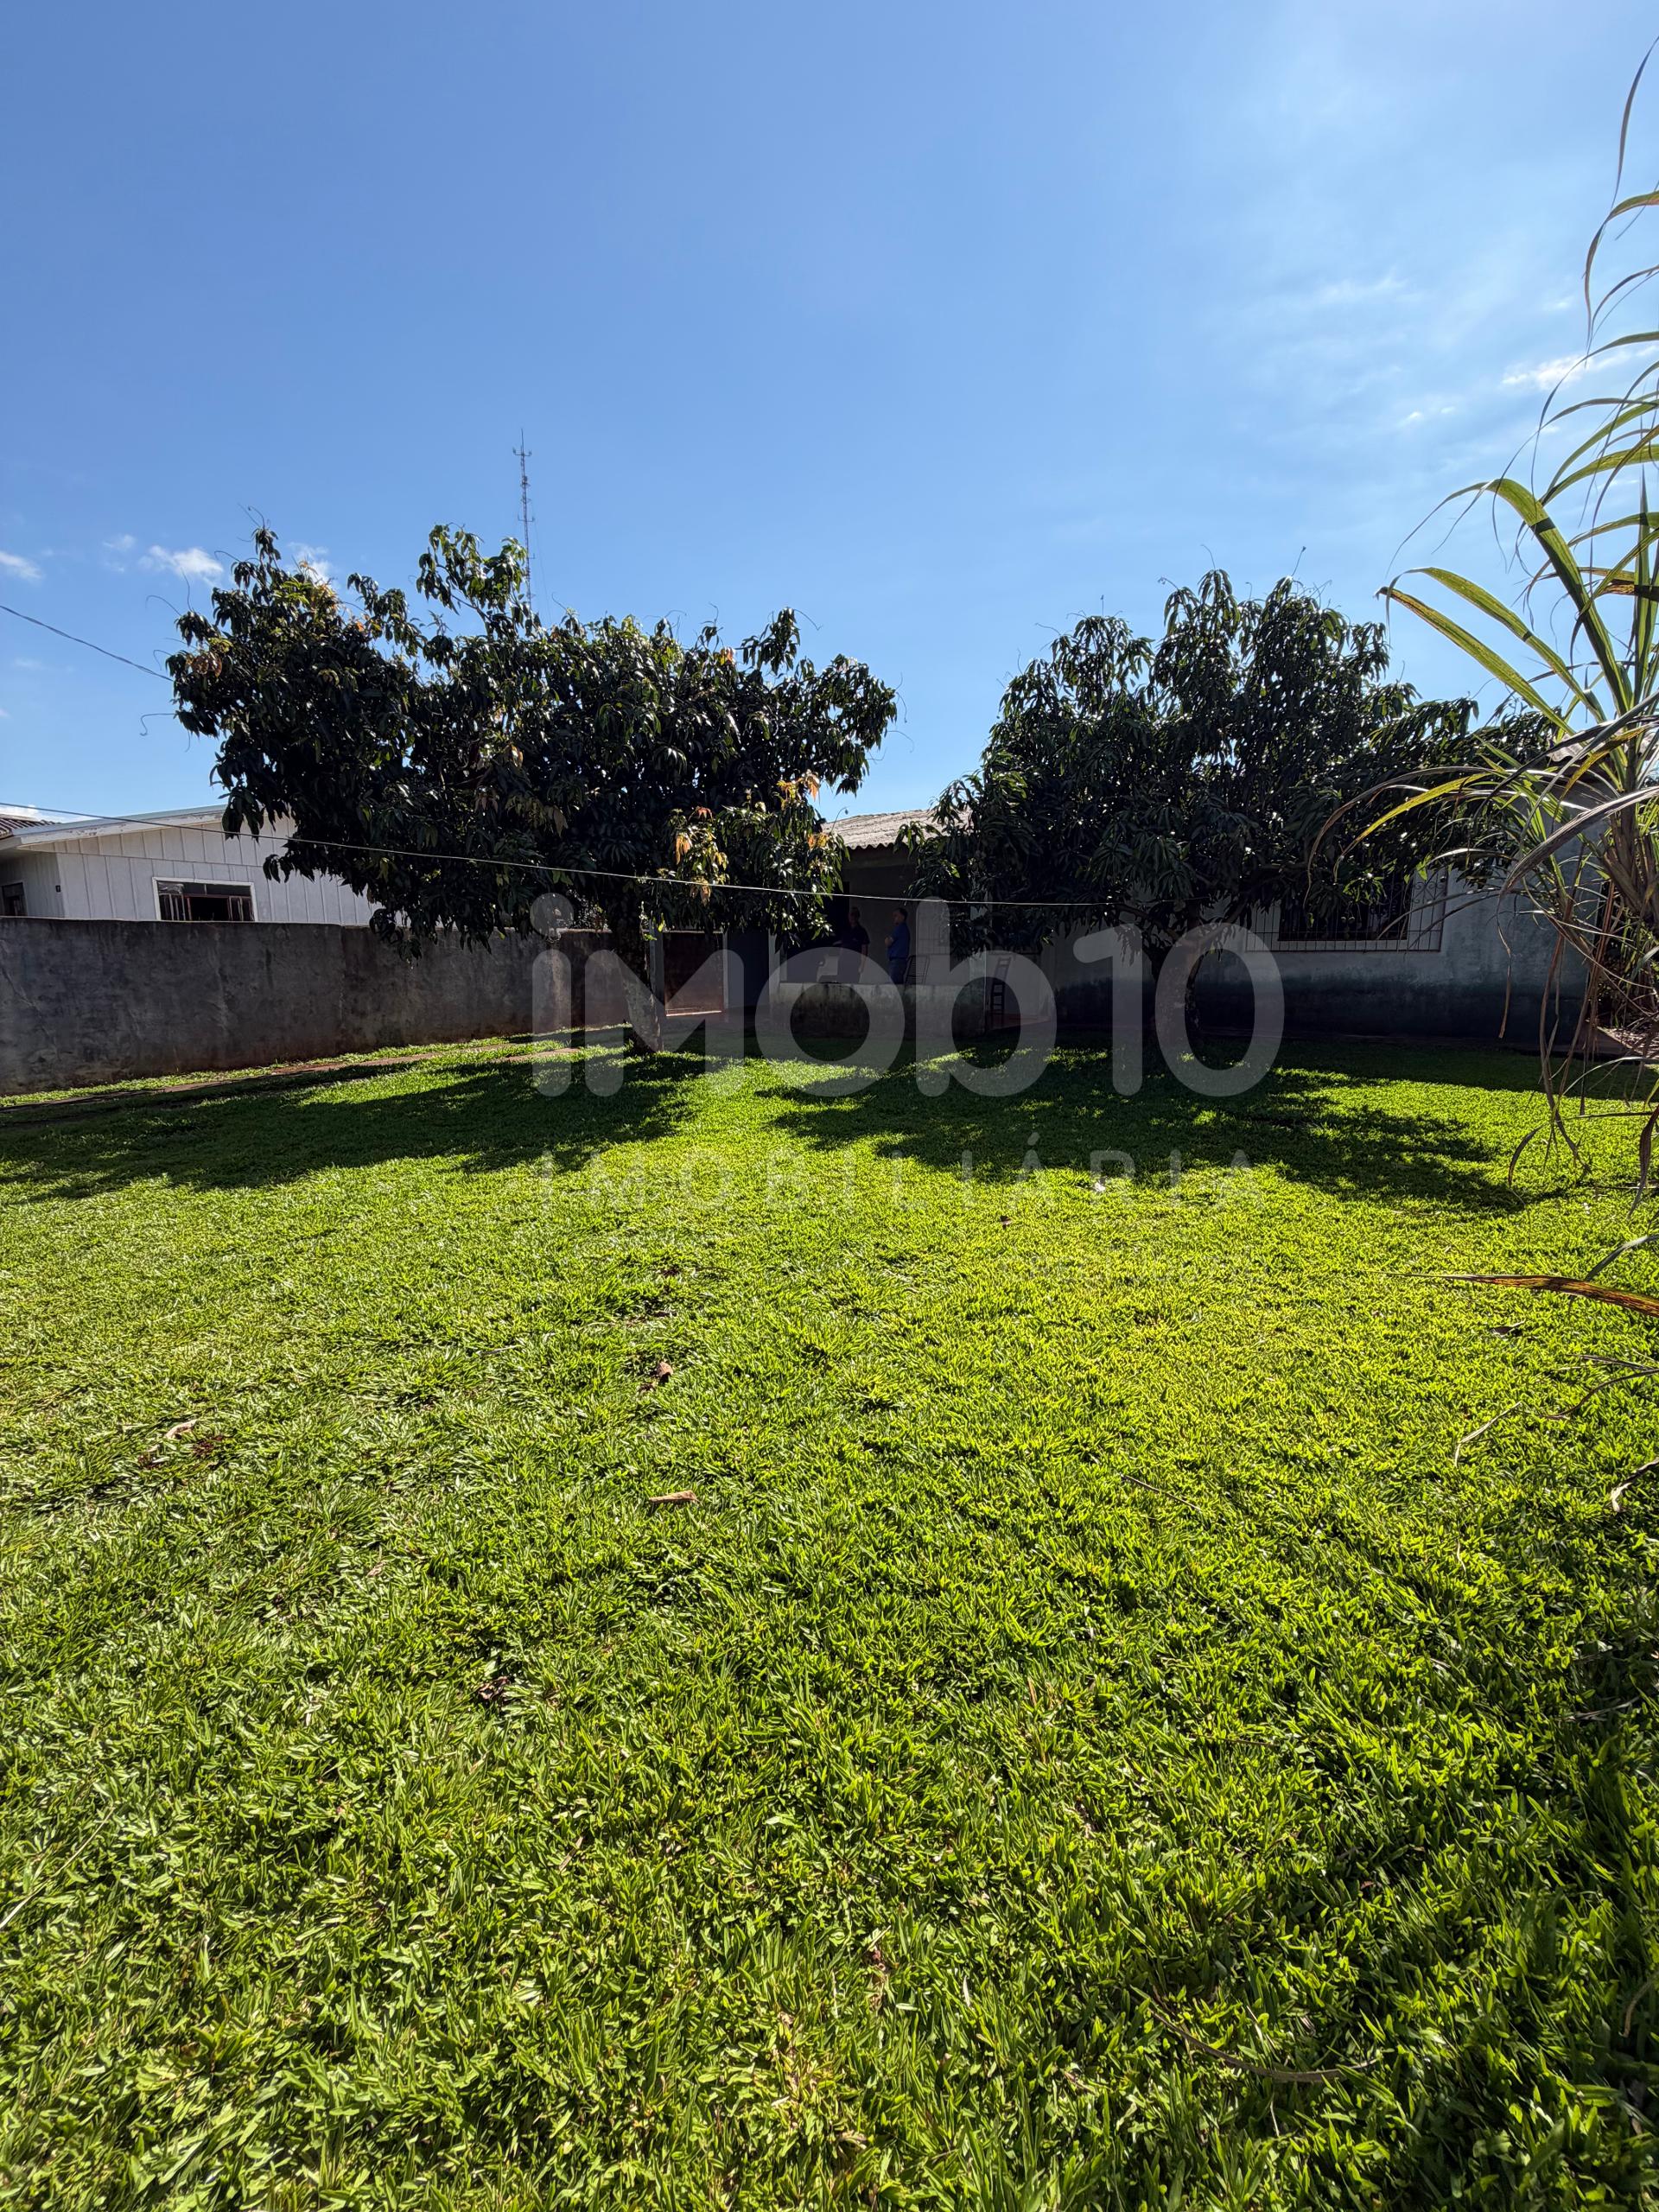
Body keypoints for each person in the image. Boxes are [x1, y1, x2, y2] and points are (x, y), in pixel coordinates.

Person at [885, 906, 911, 985]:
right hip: (898, 962)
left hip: (897, 962)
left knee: (893, 985)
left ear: (902, 917)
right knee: (898, 985)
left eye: (896, 915)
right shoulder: (903, 929)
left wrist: (886, 940)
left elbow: (888, 942)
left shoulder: (900, 928)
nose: (894, 918)